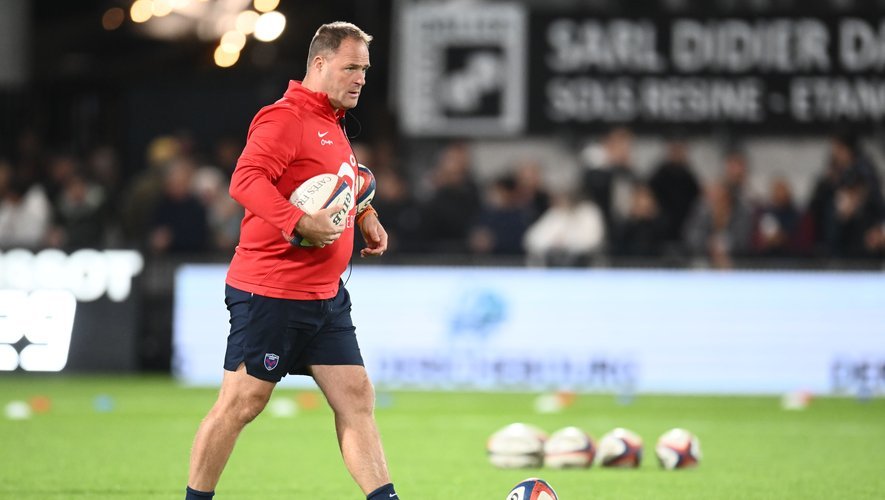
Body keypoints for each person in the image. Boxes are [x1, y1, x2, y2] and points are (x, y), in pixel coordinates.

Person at [184, 22, 396, 500]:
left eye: (365, 69)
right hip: (272, 291)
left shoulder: (332, 122)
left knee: (356, 396)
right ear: (319, 64)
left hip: (325, 296)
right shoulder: (285, 118)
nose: (361, 78)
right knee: (241, 403)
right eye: (351, 67)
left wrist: (366, 214)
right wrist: (297, 221)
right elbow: (245, 180)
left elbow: (341, 181)